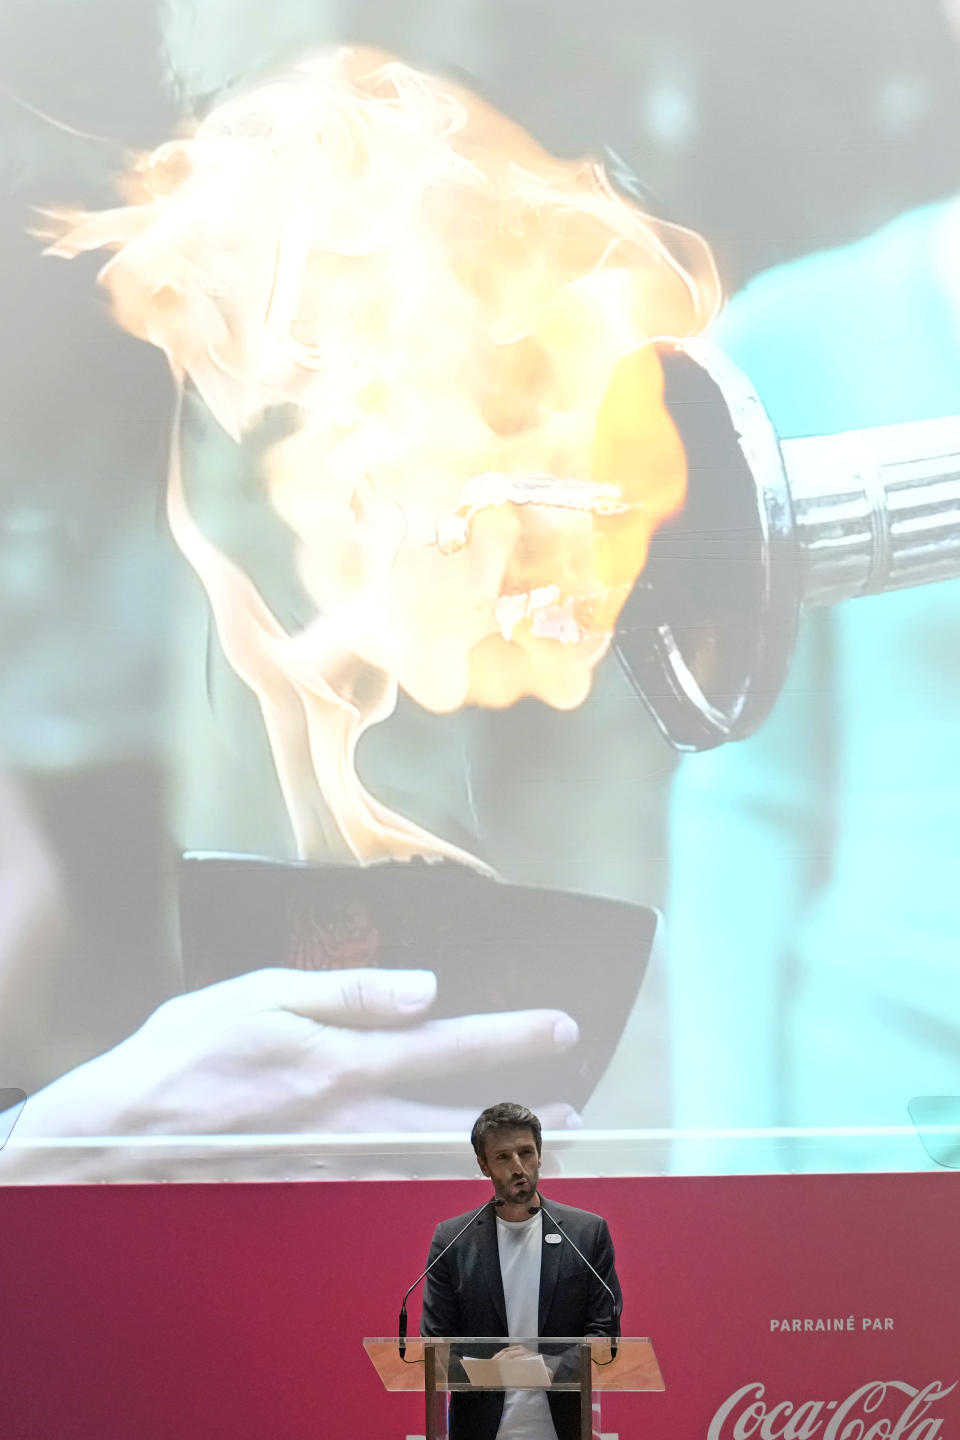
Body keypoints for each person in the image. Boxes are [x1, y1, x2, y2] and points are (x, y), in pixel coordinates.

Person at [421, 1101, 622, 1440]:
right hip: (479, 1428)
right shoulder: (454, 1240)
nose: (518, 1167)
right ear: (483, 1165)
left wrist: (549, 1365)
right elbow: (437, 1344)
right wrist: (493, 1367)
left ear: (540, 1155)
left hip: (564, 1427)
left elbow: (605, 1336)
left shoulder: (585, 1235)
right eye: (503, 1157)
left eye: (526, 1153)